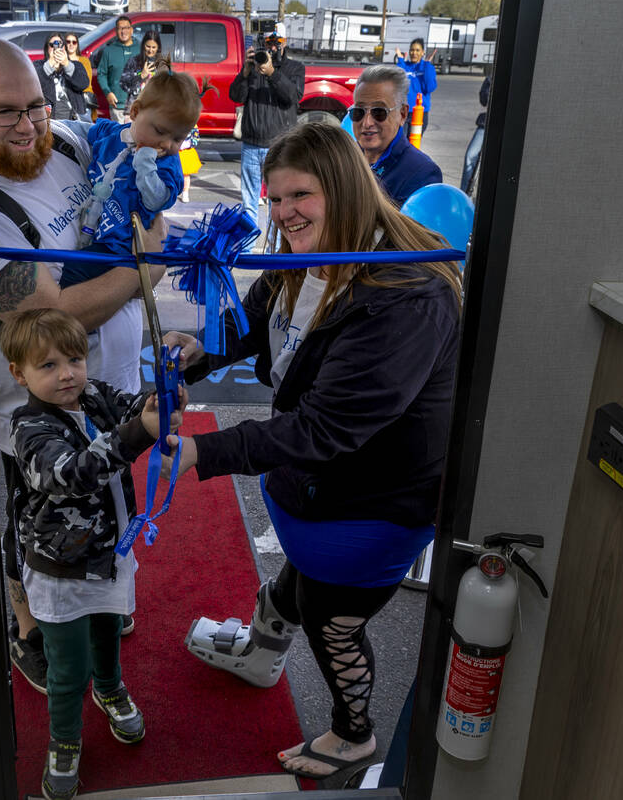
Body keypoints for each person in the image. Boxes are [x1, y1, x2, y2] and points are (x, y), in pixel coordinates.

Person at [161, 121, 462, 784]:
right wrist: (200, 350)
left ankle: (355, 735)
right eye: (273, 198)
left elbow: (326, 430)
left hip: (371, 502)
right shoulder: (306, 255)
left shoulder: (404, 294)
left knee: (333, 619)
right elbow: (256, 324)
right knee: (298, 583)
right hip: (314, 490)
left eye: (300, 195)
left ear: (345, 189)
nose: (283, 212)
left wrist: (200, 453)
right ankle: (258, 653)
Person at [0, 38, 167, 694]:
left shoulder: (67, 145)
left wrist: (157, 155)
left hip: (108, 391)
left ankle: (98, 601)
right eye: (4, 112)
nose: (26, 126)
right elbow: (55, 317)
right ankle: (29, 631)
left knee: (106, 499)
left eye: (35, 107)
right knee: (36, 521)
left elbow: (137, 142)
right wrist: (147, 271)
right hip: (31, 411)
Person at [2, 307, 184, 800]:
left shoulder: (95, 394)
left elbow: (135, 408)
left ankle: (110, 687)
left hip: (111, 555)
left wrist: (164, 393)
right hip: (60, 570)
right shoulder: (27, 426)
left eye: (75, 359)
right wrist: (139, 432)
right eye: (48, 366)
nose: (67, 374)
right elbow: (68, 475)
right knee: (66, 668)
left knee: (109, 631)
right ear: (18, 373)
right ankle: (64, 740)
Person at [61, 63, 201, 287]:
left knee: (68, 276)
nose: (166, 144)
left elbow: (156, 200)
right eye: (160, 131)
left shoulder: (166, 164)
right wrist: (46, 127)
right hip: (88, 225)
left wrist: (145, 163)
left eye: (177, 139)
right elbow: (81, 130)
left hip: (119, 247)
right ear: (135, 112)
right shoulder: (113, 134)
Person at [229, 25, 305, 240]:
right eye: (269, 42)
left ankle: (277, 248)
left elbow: (291, 97)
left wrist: (272, 73)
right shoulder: (253, 67)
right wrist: (244, 73)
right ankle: (247, 247)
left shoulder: (295, 68)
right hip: (252, 144)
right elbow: (235, 96)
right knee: (249, 201)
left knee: (281, 203)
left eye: (277, 42)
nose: (272, 47)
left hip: (280, 148)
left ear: (285, 42)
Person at [349, 64, 442, 206]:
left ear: (402, 114)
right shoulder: (345, 157)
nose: (367, 123)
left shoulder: (421, 173)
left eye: (379, 112)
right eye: (359, 111)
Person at [35, 31, 90, 121]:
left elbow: (83, 84)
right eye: (52, 45)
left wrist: (66, 64)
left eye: (60, 44)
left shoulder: (76, 65)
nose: (56, 48)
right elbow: (35, 85)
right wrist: (50, 65)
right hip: (50, 121)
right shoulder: (39, 65)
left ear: (65, 48)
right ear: (47, 48)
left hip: (73, 120)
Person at [96, 14, 136, 123]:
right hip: (117, 106)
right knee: (119, 137)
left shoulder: (140, 48)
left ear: (131, 30)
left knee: (136, 138)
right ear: (116, 31)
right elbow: (101, 74)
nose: (123, 31)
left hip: (137, 107)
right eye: (120, 28)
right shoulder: (109, 50)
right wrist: (107, 92)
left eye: (126, 28)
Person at [395, 38, 438, 134]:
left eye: (417, 50)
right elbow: (398, 82)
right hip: (403, 112)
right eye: (412, 50)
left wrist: (426, 65)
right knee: (400, 142)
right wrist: (401, 61)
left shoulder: (427, 67)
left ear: (423, 52)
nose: (414, 53)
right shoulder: (404, 66)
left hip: (419, 113)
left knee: (413, 144)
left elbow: (429, 87)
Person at [461, 75, 491, 195]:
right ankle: (464, 195)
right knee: (470, 155)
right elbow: (483, 101)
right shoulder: (491, 78)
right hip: (486, 124)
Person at [117, 31, 163, 109]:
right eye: (148, 46)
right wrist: (140, 76)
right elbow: (123, 84)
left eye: (154, 47)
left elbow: (167, 90)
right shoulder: (134, 61)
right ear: (143, 46)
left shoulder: (163, 65)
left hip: (155, 111)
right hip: (135, 109)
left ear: (158, 48)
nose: (150, 50)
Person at [63, 32, 96, 119]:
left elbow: (87, 83)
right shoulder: (61, 60)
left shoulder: (84, 61)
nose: (71, 44)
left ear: (77, 44)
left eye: (74, 42)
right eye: (68, 42)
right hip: (67, 101)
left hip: (83, 100)